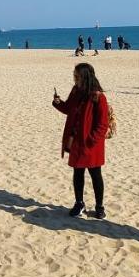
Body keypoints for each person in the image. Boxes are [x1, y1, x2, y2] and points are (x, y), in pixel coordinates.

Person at [52, 63, 111, 219]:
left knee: (95, 174)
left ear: (85, 77)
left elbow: (103, 124)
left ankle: (99, 207)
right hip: (76, 140)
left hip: (91, 144)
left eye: (77, 76)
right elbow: (68, 109)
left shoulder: (98, 96)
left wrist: (91, 140)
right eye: (74, 75)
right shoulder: (76, 91)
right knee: (77, 172)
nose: (74, 78)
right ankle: (79, 203)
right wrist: (58, 103)